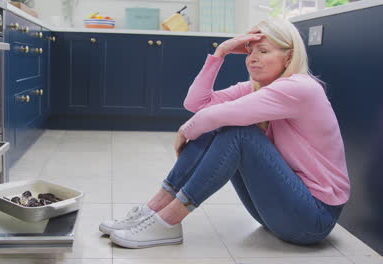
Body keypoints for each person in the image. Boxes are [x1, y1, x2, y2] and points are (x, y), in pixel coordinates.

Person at [99, 18, 350, 249]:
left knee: (238, 132)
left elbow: (210, 116)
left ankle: (168, 221)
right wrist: (221, 53)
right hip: (278, 210)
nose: (252, 58)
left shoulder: (300, 87)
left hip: (313, 219)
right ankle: (153, 210)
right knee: (225, 124)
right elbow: (197, 104)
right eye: (250, 52)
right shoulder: (257, 88)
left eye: (263, 51)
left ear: (289, 57)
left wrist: (185, 130)